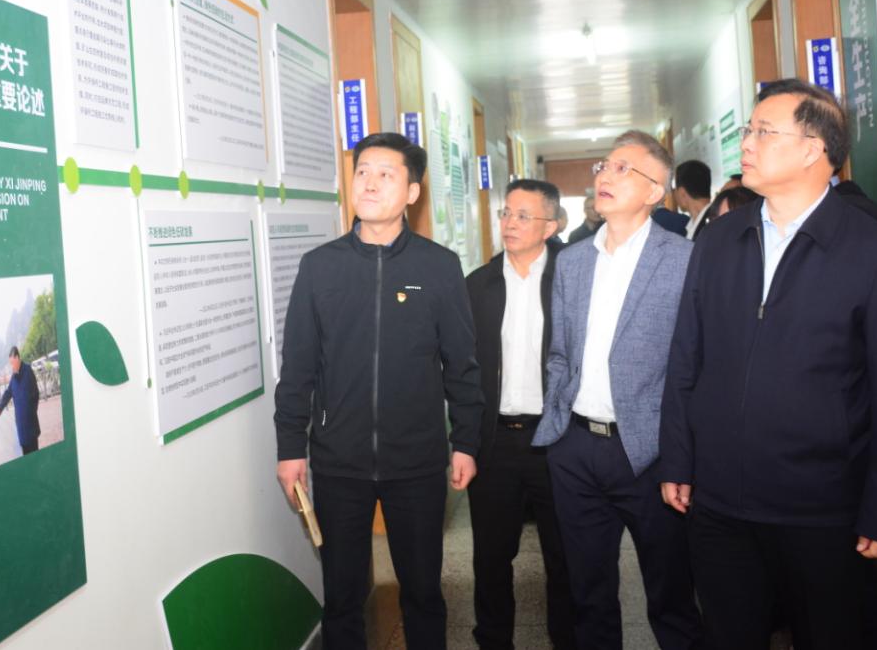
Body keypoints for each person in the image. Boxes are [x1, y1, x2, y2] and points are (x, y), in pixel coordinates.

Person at [660, 79, 877, 650]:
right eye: (748, 129)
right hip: (719, 504)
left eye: (763, 131)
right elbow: (686, 358)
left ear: (813, 149)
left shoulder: (876, 254)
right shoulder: (719, 240)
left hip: (821, 510)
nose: (746, 143)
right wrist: (678, 457)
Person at [274, 132, 483, 650]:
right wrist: (290, 448)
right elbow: (298, 366)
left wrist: (466, 441)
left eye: (386, 174)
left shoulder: (438, 266)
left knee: (423, 592)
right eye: (363, 171)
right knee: (342, 597)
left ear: (412, 192)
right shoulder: (320, 266)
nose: (369, 183)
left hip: (417, 460)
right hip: (338, 461)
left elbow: (461, 364)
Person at [533, 131, 704, 650]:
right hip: (576, 449)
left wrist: (682, 458)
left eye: (623, 169)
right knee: (588, 596)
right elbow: (560, 352)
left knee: (671, 596)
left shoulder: (685, 259)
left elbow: (696, 366)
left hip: (651, 454)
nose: (605, 175)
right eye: (604, 166)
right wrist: (558, 427)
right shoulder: (572, 260)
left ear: (655, 191)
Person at [465, 179, 575, 650]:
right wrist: (464, 443)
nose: (509, 223)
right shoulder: (478, 285)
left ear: (551, 226)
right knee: (491, 557)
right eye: (506, 213)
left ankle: (568, 639)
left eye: (523, 216)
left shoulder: (573, 277)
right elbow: (463, 370)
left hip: (557, 439)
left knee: (565, 555)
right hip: (496, 442)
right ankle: (493, 641)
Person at [0, 346, 40, 455]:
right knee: (25, 455)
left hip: (30, 423)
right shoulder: (14, 377)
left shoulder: (28, 371)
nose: (12, 366)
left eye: (12, 363)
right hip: (21, 425)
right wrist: (0, 408)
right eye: (10, 363)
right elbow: (8, 393)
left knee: (35, 454)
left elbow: (36, 393)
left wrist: (31, 411)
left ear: (18, 358)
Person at [672, 160, 712, 239]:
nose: (674, 193)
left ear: (682, 194)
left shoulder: (712, 225)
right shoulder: (717, 218)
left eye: (675, 188)